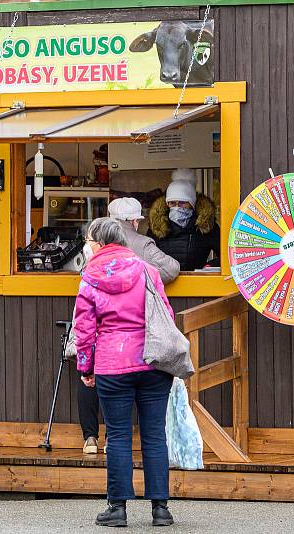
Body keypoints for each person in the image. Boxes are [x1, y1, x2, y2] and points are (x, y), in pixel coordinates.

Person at [75, 217, 175, 528]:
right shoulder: (147, 269)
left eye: (91, 240)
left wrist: (86, 366)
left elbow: (84, 326)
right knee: (154, 435)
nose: (88, 245)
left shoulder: (90, 275)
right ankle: (161, 510)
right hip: (152, 360)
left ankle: (117, 508)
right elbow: (165, 314)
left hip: (112, 363)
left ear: (101, 243)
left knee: (117, 435)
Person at [75, 197, 180, 455]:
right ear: (134, 221)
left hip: (97, 325)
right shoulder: (142, 246)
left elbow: (84, 294)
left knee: (89, 376)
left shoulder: (95, 245)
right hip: (131, 339)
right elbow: (172, 268)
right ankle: (114, 438)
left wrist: (84, 362)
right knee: (148, 432)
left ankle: (90, 438)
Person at [148, 168, 221, 271]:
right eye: (172, 203)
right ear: (167, 204)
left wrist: (211, 266)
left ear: (192, 204)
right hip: (164, 284)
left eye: (182, 203)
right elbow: (146, 257)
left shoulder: (206, 226)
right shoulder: (156, 227)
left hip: (197, 282)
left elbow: (226, 255)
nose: (177, 207)